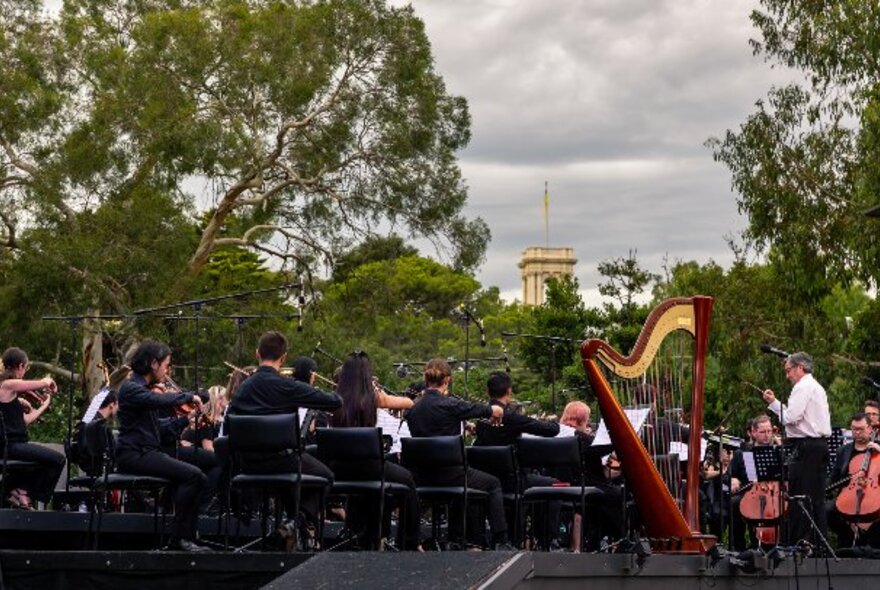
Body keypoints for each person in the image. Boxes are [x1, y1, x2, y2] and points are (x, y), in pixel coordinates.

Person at [226, 331, 342, 538]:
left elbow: (229, 429)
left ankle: (290, 528)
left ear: (257, 354)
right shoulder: (286, 386)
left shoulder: (241, 391)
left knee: (299, 464)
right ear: (284, 357)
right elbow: (334, 402)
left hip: (247, 465)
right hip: (282, 462)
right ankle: (298, 521)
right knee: (325, 476)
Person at [404, 358, 512, 549]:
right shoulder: (451, 405)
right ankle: (502, 541)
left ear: (426, 379)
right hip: (451, 476)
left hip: (421, 477)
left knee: (465, 480)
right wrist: (495, 409)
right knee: (493, 484)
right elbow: (483, 409)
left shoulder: (413, 410)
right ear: (447, 380)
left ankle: (456, 538)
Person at [116, 340, 209, 552]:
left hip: (145, 453)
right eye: (166, 365)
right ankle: (180, 539)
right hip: (133, 455)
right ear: (153, 363)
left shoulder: (142, 390)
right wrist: (188, 396)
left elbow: (159, 427)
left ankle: (188, 536)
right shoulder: (131, 388)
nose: (168, 370)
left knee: (198, 477)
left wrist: (189, 418)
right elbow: (160, 401)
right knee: (194, 476)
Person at [329, 351, 421, 550]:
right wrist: (378, 392)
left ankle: (361, 532)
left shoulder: (335, 399)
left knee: (375, 493)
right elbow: (409, 403)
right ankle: (411, 542)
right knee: (408, 481)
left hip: (339, 469)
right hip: (368, 467)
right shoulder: (373, 398)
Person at [763, 351, 831, 548]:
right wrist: (775, 404)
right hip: (814, 446)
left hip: (807, 447)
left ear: (800, 368)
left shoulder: (803, 387)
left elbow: (791, 418)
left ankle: (803, 543)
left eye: (789, 370)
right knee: (813, 497)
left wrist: (774, 404)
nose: (787, 376)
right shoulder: (813, 386)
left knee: (802, 497)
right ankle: (816, 544)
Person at [0, 347, 66, 510]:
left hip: (18, 445)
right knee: (58, 460)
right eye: (26, 368)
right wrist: (47, 382)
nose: (25, 372)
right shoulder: (7, 385)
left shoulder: (11, 393)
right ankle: (26, 494)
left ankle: (19, 492)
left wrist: (43, 406)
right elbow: (42, 382)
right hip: (10, 446)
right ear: (21, 366)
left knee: (46, 461)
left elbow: (25, 421)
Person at [728, 415, 781, 551]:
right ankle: (738, 548)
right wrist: (733, 479)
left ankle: (777, 546)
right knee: (734, 503)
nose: (767, 435)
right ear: (753, 433)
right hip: (749, 493)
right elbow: (728, 475)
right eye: (763, 432)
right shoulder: (743, 453)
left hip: (774, 492)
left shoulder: (778, 452)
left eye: (769, 431)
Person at [827, 413, 880, 548]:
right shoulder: (843, 451)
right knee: (827, 510)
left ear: (870, 429)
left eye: (861, 429)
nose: (857, 433)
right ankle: (847, 537)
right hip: (849, 495)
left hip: (874, 495)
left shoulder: (878, 448)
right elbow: (834, 477)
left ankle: (872, 542)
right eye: (854, 429)